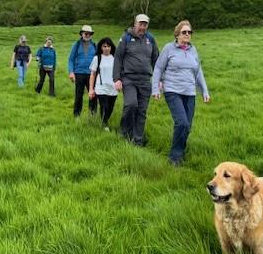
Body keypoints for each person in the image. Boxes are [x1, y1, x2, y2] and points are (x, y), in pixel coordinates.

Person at [152, 20, 210, 166]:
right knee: (182, 122)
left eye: (189, 32)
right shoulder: (169, 48)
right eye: (184, 32)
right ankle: (174, 157)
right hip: (172, 90)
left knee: (187, 126)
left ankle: (180, 151)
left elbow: (198, 72)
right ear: (177, 34)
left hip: (190, 92)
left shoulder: (193, 50)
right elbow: (158, 68)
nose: (187, 34)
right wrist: (155, 89)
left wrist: (204, 91)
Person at [113, 14, 159, 146]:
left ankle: (137, 139)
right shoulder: (126, 38)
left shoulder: (150, 39)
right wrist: (117, 78)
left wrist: (159, 79)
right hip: (129, 79)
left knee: (142, 111)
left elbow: (156, 59)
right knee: (131, 104)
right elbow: (118, 58)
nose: (143, 27)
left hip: (145, 79)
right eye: (141, 24)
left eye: (145, 24)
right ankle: (124, 132)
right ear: (135, 24)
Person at [88, 37, 118, 131]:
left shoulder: (115, 58)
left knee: (110, 108)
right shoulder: (97, 58)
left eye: (108, 46)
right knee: (104, 106)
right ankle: (105, 125)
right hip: (101, 87)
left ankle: (105, 120)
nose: (106, 48)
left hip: (113, 88)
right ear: (101, 47)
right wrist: (91, 89)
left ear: (111, 47)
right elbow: (92, 75)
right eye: (104, 46)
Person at [68, 25, 97, 117]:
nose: (87, 35)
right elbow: (71, 59)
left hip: (91, 74)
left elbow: (97, 60)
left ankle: (92, 115)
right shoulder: (76, 45)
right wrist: (71, 72)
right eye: (86, 33)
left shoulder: (94, 45)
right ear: (82, 34)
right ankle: (77, 115)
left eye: (89, 34)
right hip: (79, 73)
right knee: (78, 95)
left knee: (92, 95)